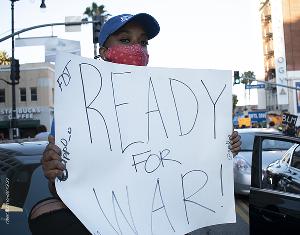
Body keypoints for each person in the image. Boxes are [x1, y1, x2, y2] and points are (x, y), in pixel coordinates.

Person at [29, 13, 241, 235]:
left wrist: (223, 148)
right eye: (125, 40)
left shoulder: (171, 100)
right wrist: (53, 172)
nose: (137, 48)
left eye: (143, 42)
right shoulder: (75, 105)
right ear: (104, 52)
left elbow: (187, 161)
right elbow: (62, 188)